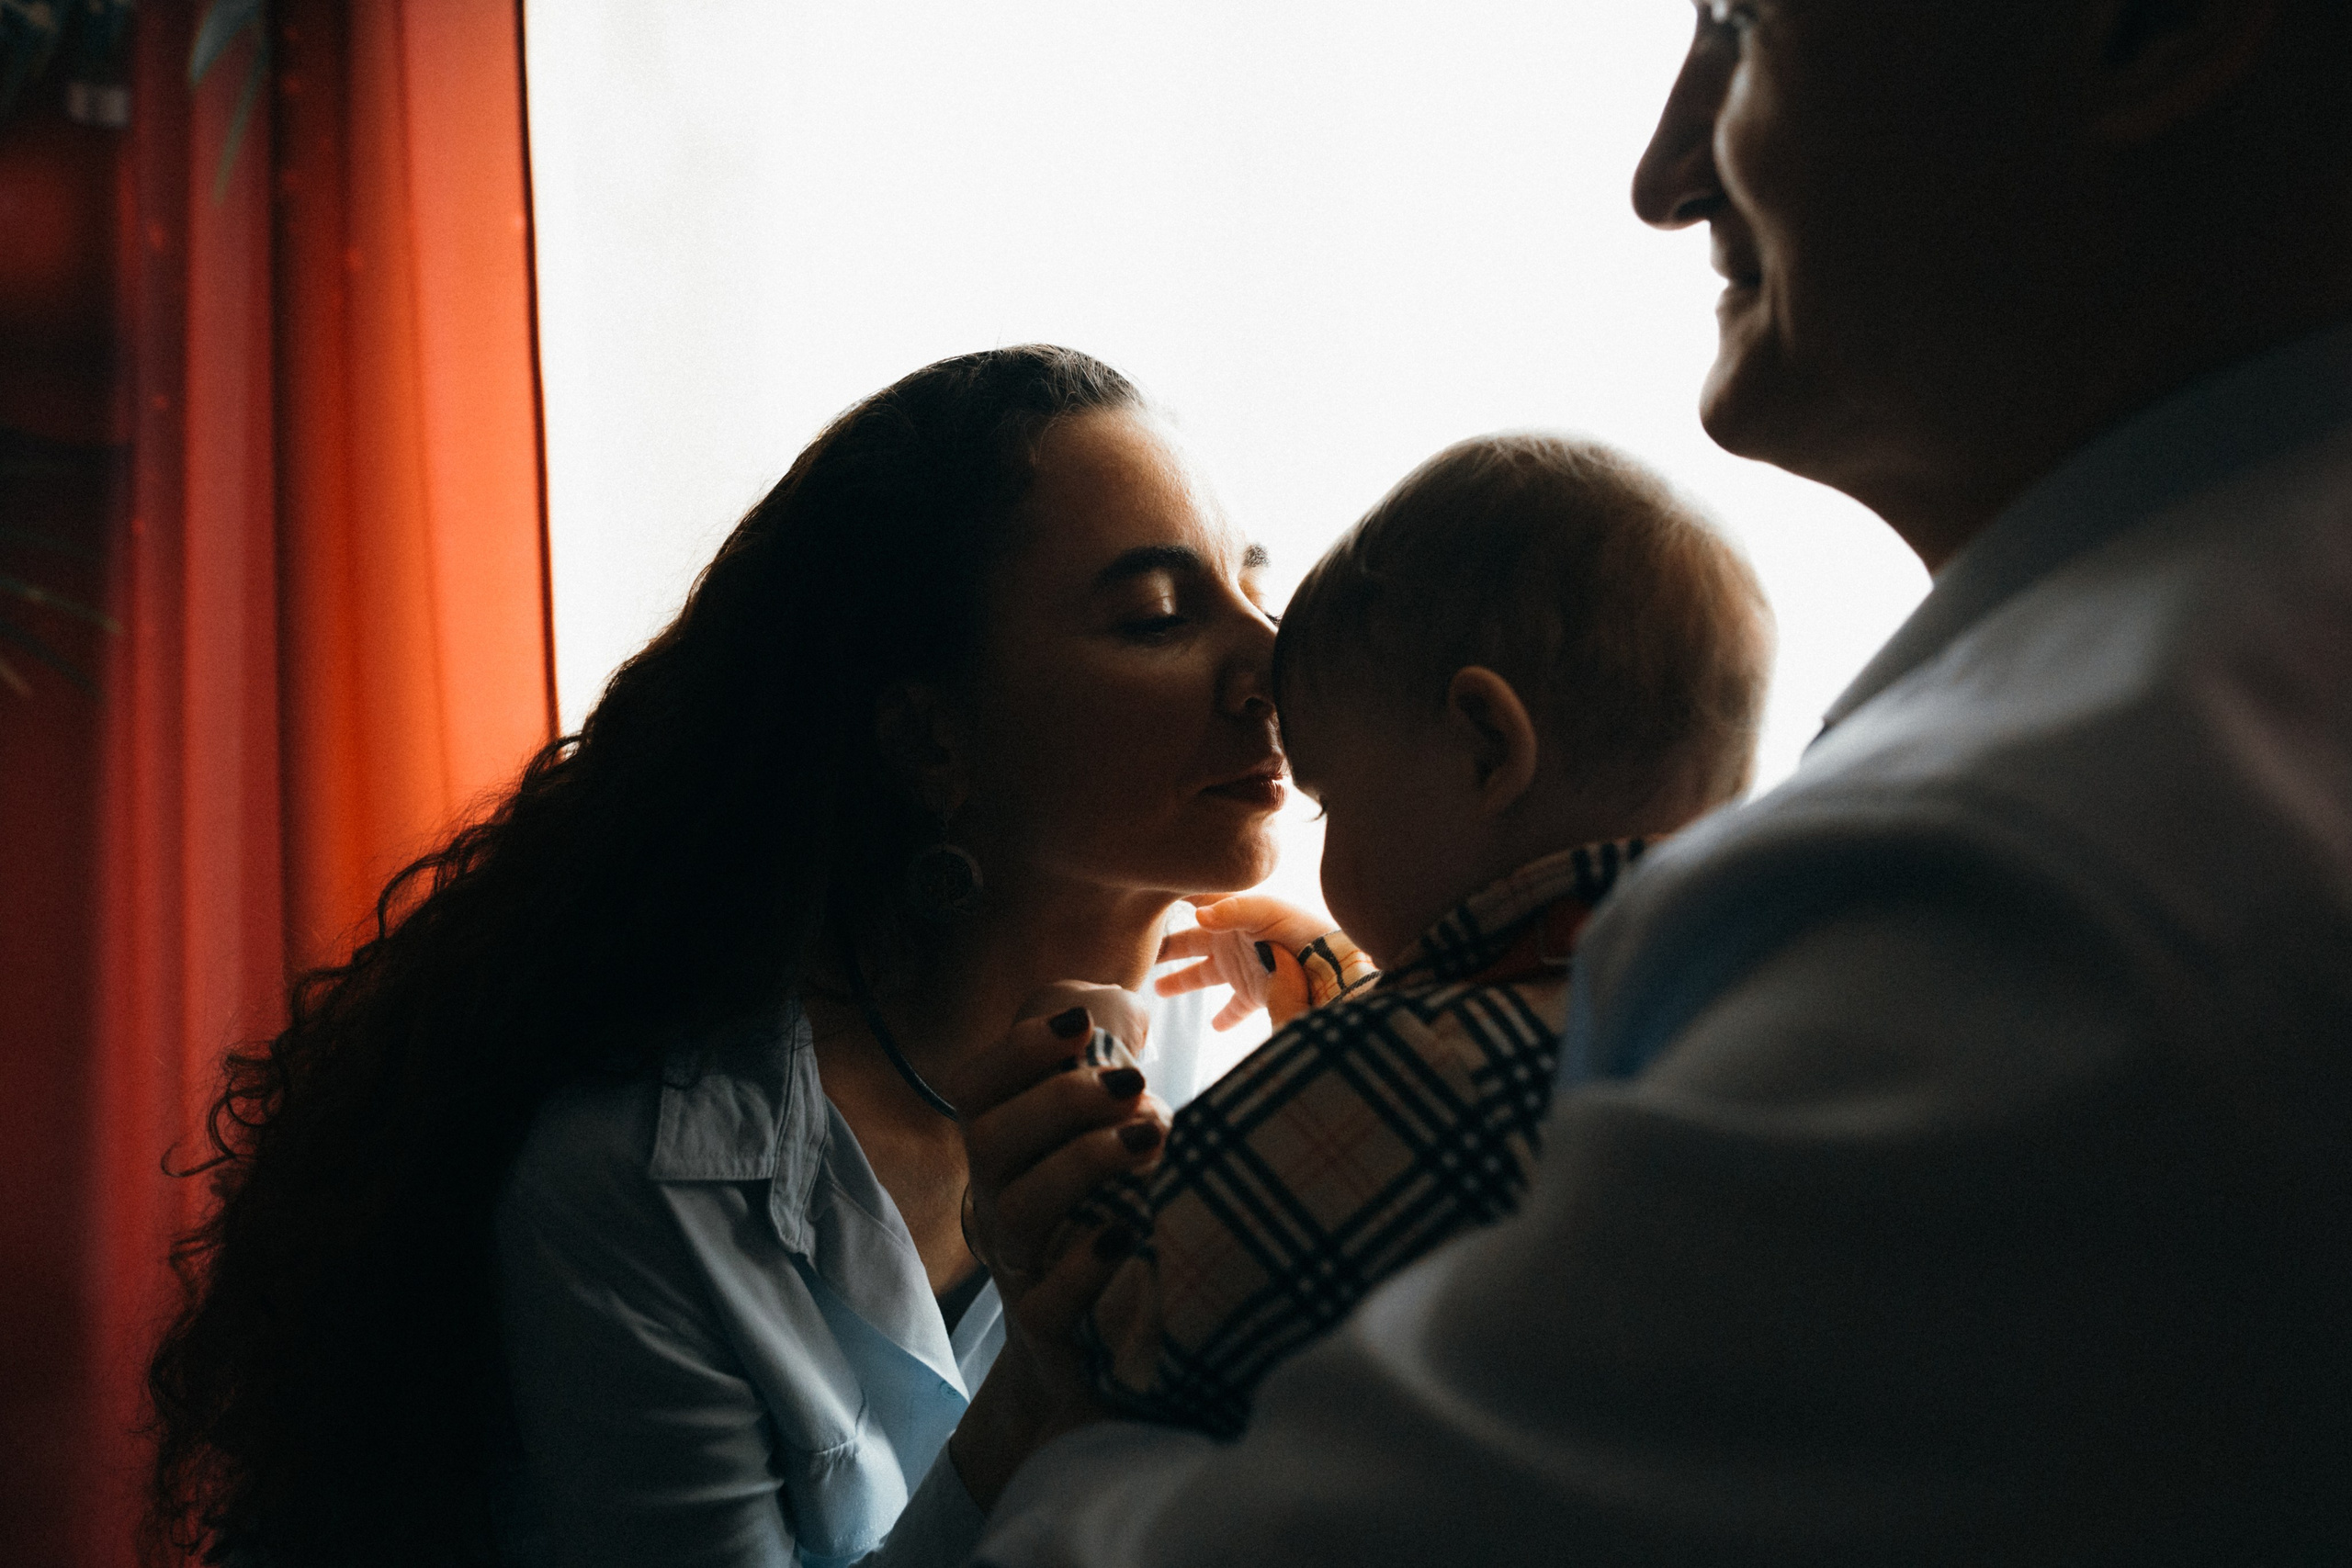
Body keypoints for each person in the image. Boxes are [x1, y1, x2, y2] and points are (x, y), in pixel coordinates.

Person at [962, 2, 2352, 1562]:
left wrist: (1060, 1416)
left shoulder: (2051, 903)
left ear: (2148, 29)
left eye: (1744, 29)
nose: (1663, 174)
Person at [141, 345, 1285, 1568]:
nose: (1272, 655)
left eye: (1257, 587)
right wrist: (1037, 1400)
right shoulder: (640, 1172)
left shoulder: (1223, 1044)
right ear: (930, 740)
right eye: (1159, 616)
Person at [1068, 432, 1770, 1437]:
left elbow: (1138, 1331)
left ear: (1487, 749)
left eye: (1329, 804)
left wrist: (1081, 1091)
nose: (1320, 854)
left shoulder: (1420, 1066)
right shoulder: (1754, 1001)